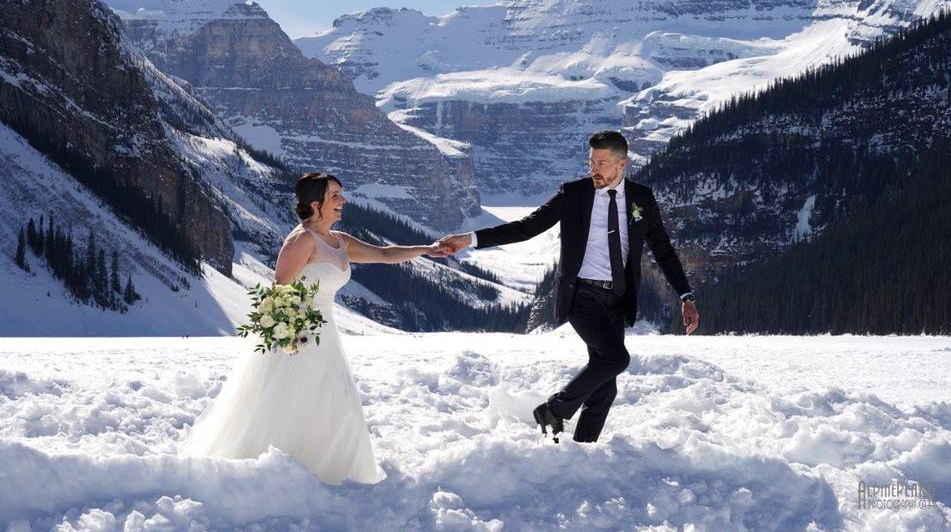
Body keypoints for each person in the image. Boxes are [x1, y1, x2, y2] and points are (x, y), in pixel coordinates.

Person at [182, 172, 446, 483]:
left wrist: (428, 249)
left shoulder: (339, 241)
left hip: (327, 334)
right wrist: (295, 334)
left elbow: (385, 254)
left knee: (335, 399)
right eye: (335, 195)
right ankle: (277, 476)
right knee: (292, 401)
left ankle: (334, 473)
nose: (342, 201)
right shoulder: (302, 240)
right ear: (315, 204)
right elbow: (279, 290)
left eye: (341, 194)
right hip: (299, 337)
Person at [439, 131, 699, 443]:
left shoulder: (642, 199)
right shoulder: (573, 194)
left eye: (602, 162)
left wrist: (686, 295)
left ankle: (583, 448)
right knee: (616, 359)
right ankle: (553, 410)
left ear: (622, 164)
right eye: (591, 162)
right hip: (581, 295)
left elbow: (664, 251)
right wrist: (470, 239)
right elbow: (527, 227)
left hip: (617, 298)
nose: (594, 168)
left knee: (606, 382)